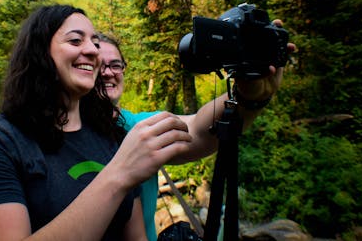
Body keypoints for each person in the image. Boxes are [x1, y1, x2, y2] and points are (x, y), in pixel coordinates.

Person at [0, 4, 193, 241]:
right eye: (75, 41)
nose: (93, 51)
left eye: (95, 43)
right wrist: (119, 173)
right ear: (39, 52)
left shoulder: (111, 135)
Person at [99, 29, 295, 241]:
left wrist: (249, 97)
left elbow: (198, 130)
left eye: (116, 65)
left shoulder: (139, 126)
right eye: (99, 65)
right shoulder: (60, 135)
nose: (108, 72)